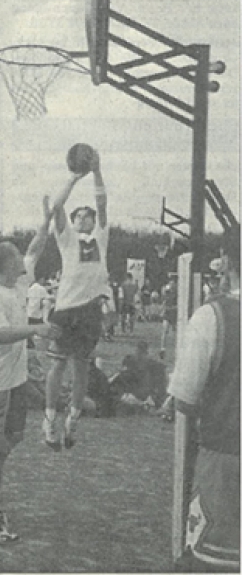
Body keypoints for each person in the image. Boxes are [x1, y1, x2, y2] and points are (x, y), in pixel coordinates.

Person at [0, 197, 60, 542]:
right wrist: (35, 330)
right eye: (17, 257)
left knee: (12, 437)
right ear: (6, 265)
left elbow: (37, 245)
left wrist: (46, 219)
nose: (25, 259)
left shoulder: (18, 282)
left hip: (14, 379)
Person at [169, 227, 240, 572]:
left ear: (225, 261)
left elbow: (184, 397)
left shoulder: (213, 317)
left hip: (226, 461)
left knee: (216, 563)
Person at [43, 146, 111, 450]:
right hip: (66, 309)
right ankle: (49, 420)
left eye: (88, 216)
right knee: (57, 366)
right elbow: (56, 208)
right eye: (80, 215)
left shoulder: (101, 237)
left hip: (89, 311)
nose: (85, 219)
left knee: (81, 366)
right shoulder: (66, 238)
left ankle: (72, 419)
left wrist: (96, 171)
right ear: (73, 220)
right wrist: (73, 178)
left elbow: (102, 201)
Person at [109, 340, 167, 409]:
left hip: (143, 393)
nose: (139, 356)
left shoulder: (153, 365)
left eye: (140, 353)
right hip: (136, 392)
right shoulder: (131, 362)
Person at [160, 274, 177, 359]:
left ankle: (176, 348)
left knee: (174, 331)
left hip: (174, 312)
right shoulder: (166, 290)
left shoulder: (178, 291)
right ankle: (162, 348)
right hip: (168, 312)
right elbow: (164, 300)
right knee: (165, 330)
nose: (172, 283)